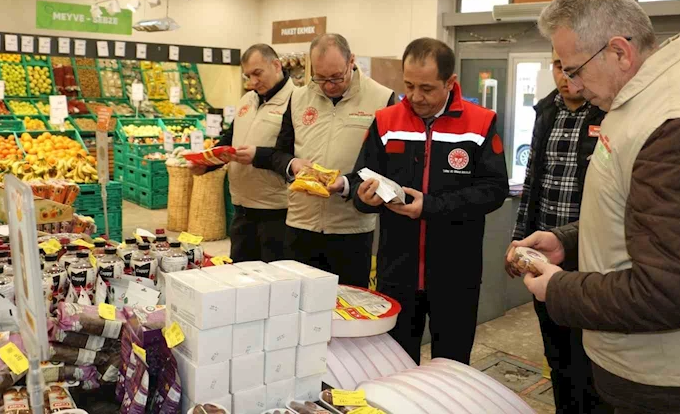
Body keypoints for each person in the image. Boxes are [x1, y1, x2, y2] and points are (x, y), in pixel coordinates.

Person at [513, 0, 680, 414]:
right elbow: (656, 217)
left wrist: (559, 288)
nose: (570, 83)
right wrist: (569, 241)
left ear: (619, 52)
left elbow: (666, 294)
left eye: (574, 69)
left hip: (673, 380)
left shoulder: (672, 125)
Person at [351, 37, 509, 365]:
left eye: (427, 88)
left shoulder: (480, 123)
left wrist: (431, 206)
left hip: (455, 274)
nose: (415, 97)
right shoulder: (386, 121)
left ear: (450, 83)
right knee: (395, 365)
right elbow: (359, 181)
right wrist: (364, 197)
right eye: (408, 85)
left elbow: (494, 190)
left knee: (450, 366)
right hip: (397, 271)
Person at [240, 33, 394, 287]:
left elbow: (383, 167)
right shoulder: (299, 98)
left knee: (346, 306)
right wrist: (293, 165)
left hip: (351, 230)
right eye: (320, 78)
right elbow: (280, 153)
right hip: (301, 225)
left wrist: (345, 184)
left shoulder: (382, 99)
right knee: (297, 304)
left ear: (351, 61)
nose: (329, 86)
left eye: (336, 77)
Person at [507, 51, 609, 414]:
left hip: (588, 255)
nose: (566, 76)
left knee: (590, 358)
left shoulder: (607, 112)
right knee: (557, 353)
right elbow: (533, 179)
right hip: (542, 251)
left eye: (573, 68)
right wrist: (519, 239)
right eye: (558, 67)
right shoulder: (545, 111)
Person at [215, 44, 294, 262]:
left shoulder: (296, 102)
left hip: (276, 213)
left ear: (276, 65)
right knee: (240, 278)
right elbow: (230, 137)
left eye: (257, 73)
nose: (253, 82)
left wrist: (257, 155)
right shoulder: (247, 100)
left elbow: (291, 154)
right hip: (241, 210)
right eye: (248, 75)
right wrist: (208, 159)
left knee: (273, 282)